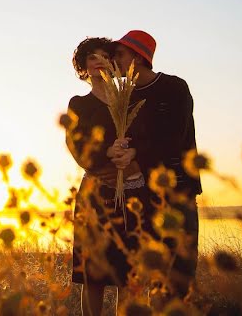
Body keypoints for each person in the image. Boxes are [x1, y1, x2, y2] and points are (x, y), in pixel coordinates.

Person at [112, 29, 202, 300]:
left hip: (178, 192)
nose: (114, 61)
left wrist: (135, 154)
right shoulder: (122, 98)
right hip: (139, 194)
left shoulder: (175, 87)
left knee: (178, 275)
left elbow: (174, 136)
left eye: (120, 54)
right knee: (143, 272)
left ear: (138, 58)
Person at [65, 37, 149, 316]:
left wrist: (131, 157)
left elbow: (149, 139)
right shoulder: (79, 103)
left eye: (104, 55)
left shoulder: (131, 98)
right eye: (92, 57)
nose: (99, 60)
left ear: (113, 62)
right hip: (96, 191)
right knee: (93, 272)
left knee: (133, 272)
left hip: (133, 191)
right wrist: (106, 155)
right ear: (84, 67)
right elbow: (76, 145)